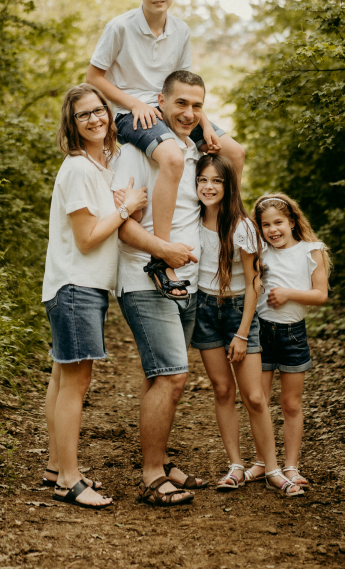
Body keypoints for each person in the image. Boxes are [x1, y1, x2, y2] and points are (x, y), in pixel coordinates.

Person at [86, 0, 245, 298]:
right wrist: (134, 104)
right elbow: (94, 78)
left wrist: (204, 122)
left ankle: (221, 231)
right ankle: (161, 254)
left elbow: (185, 84)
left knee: (234, 152)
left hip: (170, 105)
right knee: (172, 157)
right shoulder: (119, 27)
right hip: (132, 113)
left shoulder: (181, 30)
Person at [41, 83, 147, 510]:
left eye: (99, 110)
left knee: (61, 377)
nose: (94, 119)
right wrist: (125, 209)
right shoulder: (80, 169)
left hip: (77, 285)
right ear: (72, 123)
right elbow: (87, 239)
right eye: (83, 114)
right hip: (75, 287)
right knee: (76, 382)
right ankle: (69, 480)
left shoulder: (98, 168)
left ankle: (56, 467)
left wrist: (126, 205)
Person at [111, 69, 210, 507]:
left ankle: (162, 460)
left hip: (185, 284)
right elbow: (122, 226)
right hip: (144, 279)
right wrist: (164, 251)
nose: (188, 113)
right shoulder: (139, 151)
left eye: (197, 105)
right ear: (160, 102)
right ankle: (151, 476)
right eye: (180, 103)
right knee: (172, 375)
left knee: (163, 376)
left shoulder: (193, 152)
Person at [190, 156, 304, 497]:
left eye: (217, 181)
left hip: (238, 310)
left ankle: (272, 469)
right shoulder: (190, 219)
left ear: (229, 186)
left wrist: (242, 333)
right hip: (204, 310)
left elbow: (254, 282)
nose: (209, 187)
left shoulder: (242, 226)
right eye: (202, 180)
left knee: (254, 396)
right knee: (222, 390)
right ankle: (236, 466)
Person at [245, 193, 330, 489]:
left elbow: (321, 295)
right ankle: (263, 462)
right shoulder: (260, 253)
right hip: (261, 332)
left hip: (294, 334)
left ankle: (291, 466)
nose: (273, 230)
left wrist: (288, 294)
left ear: (292, 222)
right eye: (266, 225)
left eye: (278, 222)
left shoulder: (311, 250)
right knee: (259, 401)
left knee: (291, 404)